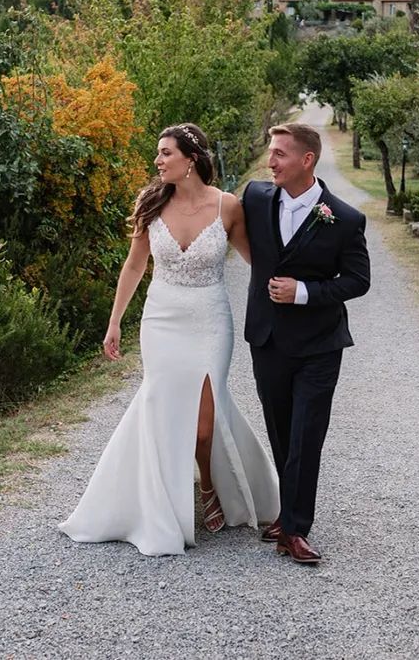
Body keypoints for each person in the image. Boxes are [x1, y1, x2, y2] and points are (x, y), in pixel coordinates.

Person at [59, 123, 279, 556]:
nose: (157, 161)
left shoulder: (228, 208)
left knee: (204, 421)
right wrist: (114, 321)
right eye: (157, 154)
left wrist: (290, 297)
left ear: (190, 159)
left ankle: (211, 484)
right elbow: (134, 267)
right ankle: (163, 506)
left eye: (165, 153)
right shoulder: (150, 204)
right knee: (162, 408)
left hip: (211, 319)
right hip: (161, 319)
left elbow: (259, 264)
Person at [241, 123, 370, 564]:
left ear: (306, 160)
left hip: (319, 343)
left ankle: (295, 530)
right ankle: (287, 511)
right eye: (270, 152)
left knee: (306, 437)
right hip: (268, 339)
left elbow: (358, 281)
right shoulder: (256, 199)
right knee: (280, 433)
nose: (270, 161)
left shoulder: (345, 219)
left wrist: (305, 292)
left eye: (279, 153)